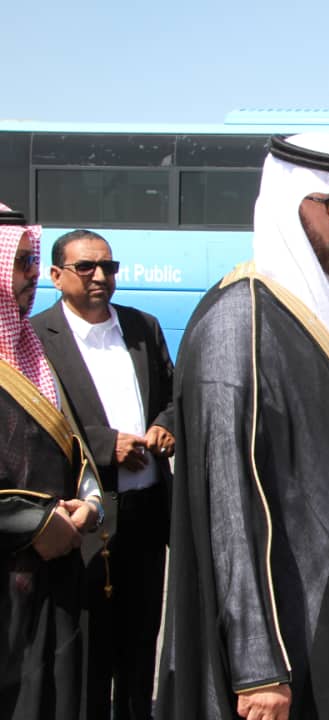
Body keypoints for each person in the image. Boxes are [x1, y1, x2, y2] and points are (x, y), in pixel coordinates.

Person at [155, 133, 329, 719]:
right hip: (291, 648)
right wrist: (259, 667)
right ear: (288, 202)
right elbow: (231, 502)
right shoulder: (240, 322)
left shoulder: (315, 314)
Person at [32, 229, 174, 720]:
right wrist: (104, 445)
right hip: (86, 519)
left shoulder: (142, 326)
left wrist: (165, 426)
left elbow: (174, 396)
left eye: (108, 267)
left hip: (147, 514)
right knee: (90, 653)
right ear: (57, 276)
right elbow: (38, 423)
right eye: (86, 267)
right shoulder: (38, 337)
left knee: (140, 646)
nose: (100, 276)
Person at [0, 205, 104, 719]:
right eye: (20, 263)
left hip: (56, 578)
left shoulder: (30, 347)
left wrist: (90, 503)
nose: (32, 275)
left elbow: (70, 442)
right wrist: (38, 523)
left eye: (32, 261)